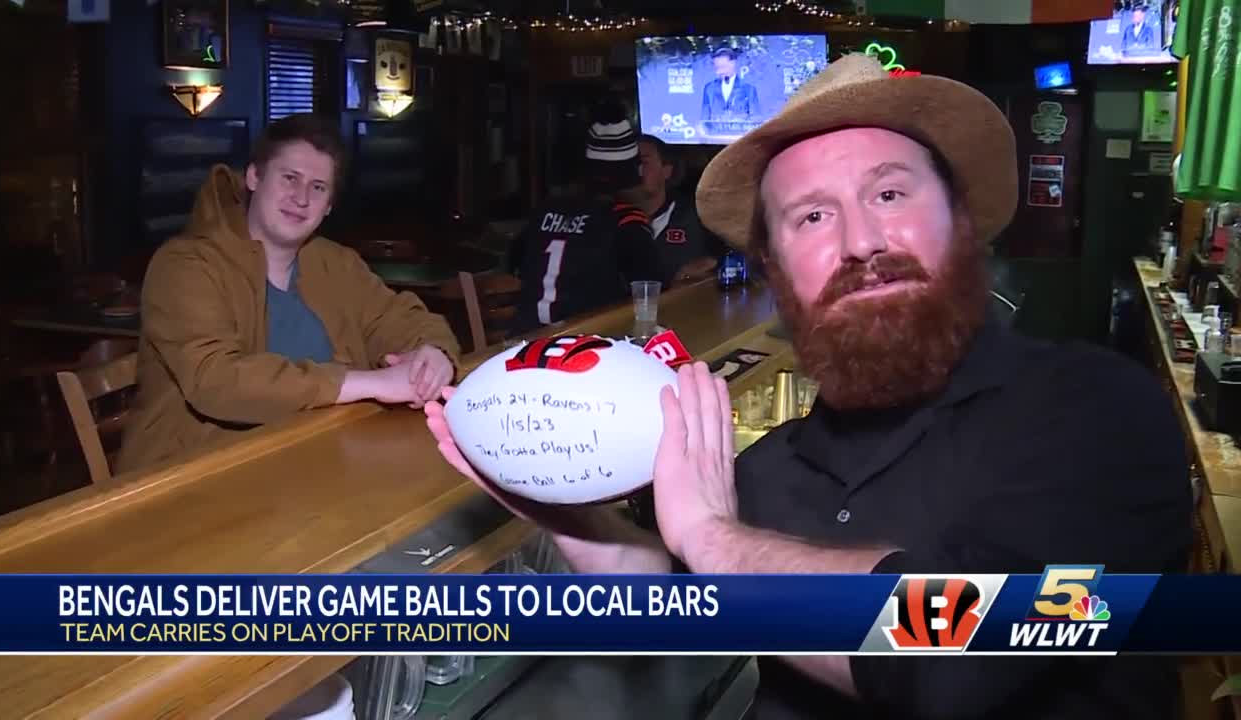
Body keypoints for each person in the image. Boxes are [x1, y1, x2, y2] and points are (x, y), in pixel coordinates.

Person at [427, 54, 1190, 718]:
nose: (860, 242)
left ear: (962, 223)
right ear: (775, 271)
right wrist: (578, 526)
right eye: (813, 216)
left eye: (890, 195)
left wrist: (710, 539)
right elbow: (684, 599)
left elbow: (961, 648)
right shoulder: (764, 473)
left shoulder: (1099, 412)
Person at [117, 113, 459, 472]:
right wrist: (367, 383)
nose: (301, 198)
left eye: (318, 187)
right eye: (289, 178)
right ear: (253, 177)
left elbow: (399, 319)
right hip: (188, 482)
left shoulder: (336, 263)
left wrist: (433, 354)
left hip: (319, 462)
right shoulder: (184, 264)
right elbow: (216, 380)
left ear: (328, 207)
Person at [508, 106, 662, 330]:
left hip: (526, 338)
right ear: (632, 173)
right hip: (585, 343)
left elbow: (515, 263)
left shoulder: (546, 210)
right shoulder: (626, 221)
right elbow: (650, 289)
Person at [635, 134, 727, 285]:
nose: (637, 170)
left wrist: (712, 266)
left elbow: (731, 259)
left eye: (644, 162)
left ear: (667, 171)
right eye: (630, 164)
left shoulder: (699, 216)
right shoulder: (609, 220)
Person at [701, 48, 760, 124]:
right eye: (716, 68)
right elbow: (704, 120)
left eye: (722, 67)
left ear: (733, 64)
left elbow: (756, 119)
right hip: (715, 135)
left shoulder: (749, 89)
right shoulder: (709, 88)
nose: (718, 72)